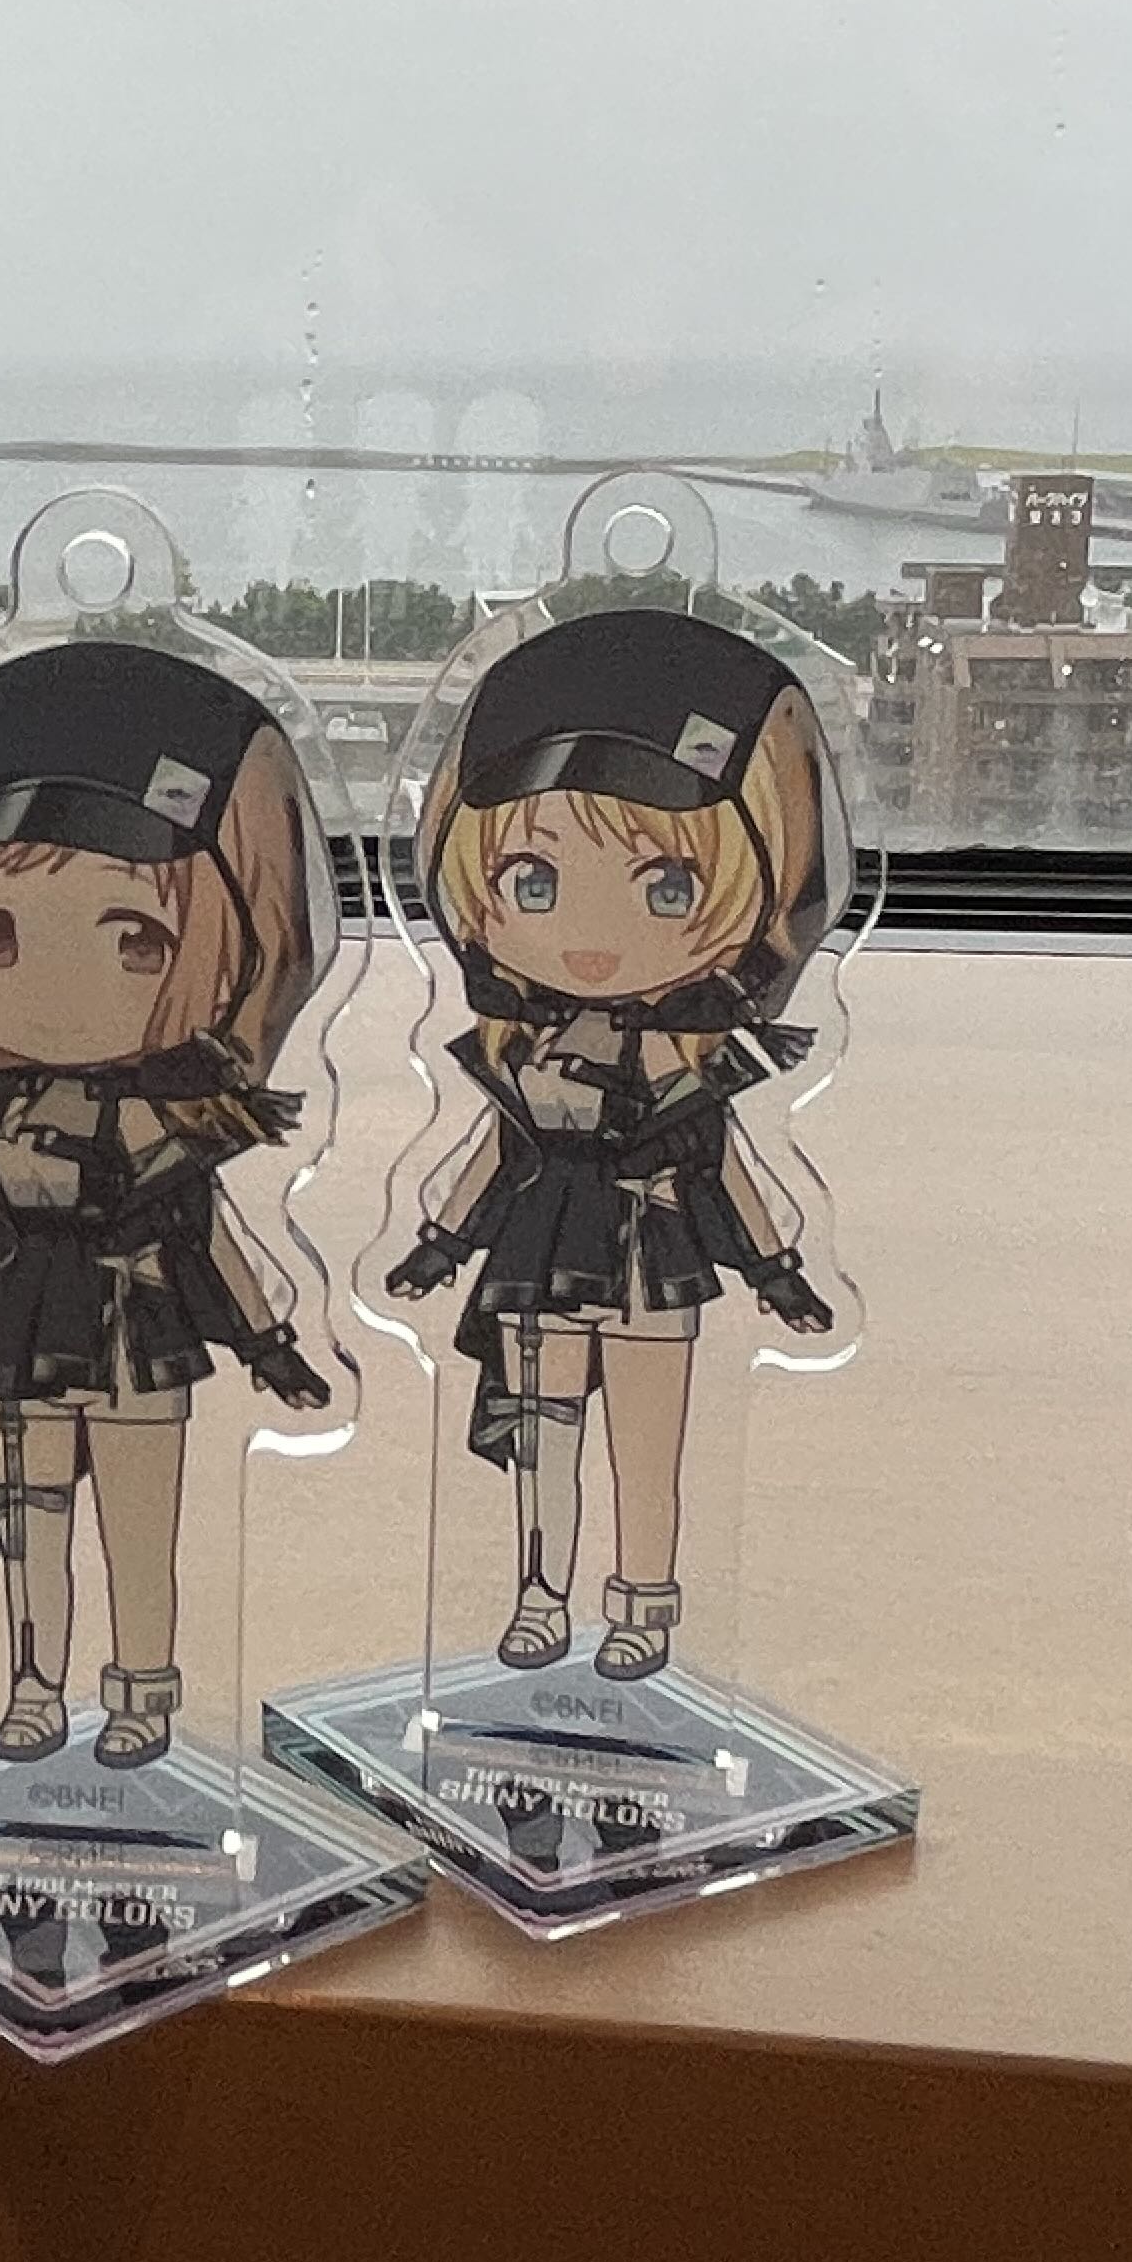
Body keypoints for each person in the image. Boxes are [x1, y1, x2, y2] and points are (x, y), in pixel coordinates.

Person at [0, 641, 332, 1771]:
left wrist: (270, 1348)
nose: (61, 986)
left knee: (139, 1530)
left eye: (138, 940)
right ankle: (33, 1689)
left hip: (139, 1335)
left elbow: (212, 1241)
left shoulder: (169, 1137)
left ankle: (143, 1695)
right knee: (32, 1527)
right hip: (17, 1335)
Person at [382, 611, 841, 1683]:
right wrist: (439, 1244)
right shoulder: (526, 1052)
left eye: (670, 888)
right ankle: (540, 1597)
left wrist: (777, 1270)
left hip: (652, 1252)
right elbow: (495, 1154)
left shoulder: (688, 1062)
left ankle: (642, 1607)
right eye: (533, 884)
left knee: (646, 1446)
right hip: (541, 1249)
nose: (589, 935)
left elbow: (725, 1165)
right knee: (541, 1437)